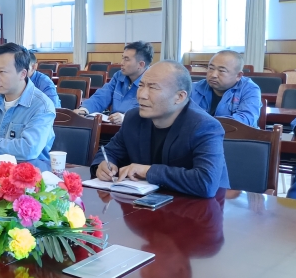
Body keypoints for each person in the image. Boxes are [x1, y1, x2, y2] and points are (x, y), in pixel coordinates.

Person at [91, 61, 230, 199]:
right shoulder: (134, 118)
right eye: (141, 85)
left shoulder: (205, 126)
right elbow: (109, 152)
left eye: (153, 88)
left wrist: (148, 171)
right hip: (145, 205)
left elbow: (206, 182)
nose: (142, 95)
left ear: (180, 97)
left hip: (198, 207)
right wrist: (104, 164)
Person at [76, 41, 153, 124]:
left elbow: (150, 112)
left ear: (141, 64)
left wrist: (126, 118)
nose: (122, 63)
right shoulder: (119, 75)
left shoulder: (153, 82)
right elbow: (102, 96)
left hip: (136, 127)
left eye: (126, 59)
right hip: (113, 125)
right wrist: (84, 110)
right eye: (123, 58)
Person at [190, 50, 261, 127]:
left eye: (221, 71)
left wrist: (206, 124)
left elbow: (245, 120)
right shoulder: (194, 88)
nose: (213, 75)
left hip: (236, 134)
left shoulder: (250, 89)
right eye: (211, 68)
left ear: (238, 75)